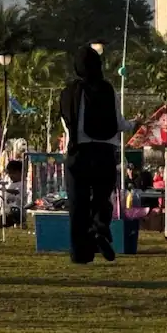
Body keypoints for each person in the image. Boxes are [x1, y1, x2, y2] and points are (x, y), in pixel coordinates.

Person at [58, 47, 120, 265]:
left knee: (77, 203)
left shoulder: (68, 92)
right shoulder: (107, 89)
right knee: (102, 197)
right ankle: (99, 227)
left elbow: (66, 125)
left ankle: (80, 252)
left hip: (77, 152)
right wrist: (134, 124)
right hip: (104, 152)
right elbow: (118, 123)